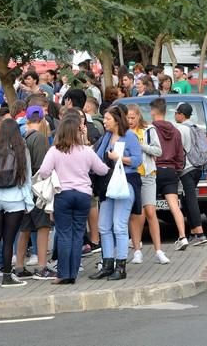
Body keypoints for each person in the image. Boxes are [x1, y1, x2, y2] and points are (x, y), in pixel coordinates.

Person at [39, 116, 109, 284]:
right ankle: (73, 273)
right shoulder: (86, 151)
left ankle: (63, 274)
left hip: (63, 194)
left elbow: (43, 172)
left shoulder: (55, 151)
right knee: (78, 234)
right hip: (84, 195)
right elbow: (102, 170)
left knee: (64, 234)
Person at [88, 106, 142, 281]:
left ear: (117, 121)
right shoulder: (106, 137)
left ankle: (121, 266)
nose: (104, 122)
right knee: (103, 226)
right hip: (107, 185)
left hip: (125, 183)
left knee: (119, 225)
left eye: (107, 119)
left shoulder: (130, 136)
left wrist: (119, 158)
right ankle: (107, 264)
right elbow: (96, 156)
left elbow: (137, 160)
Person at [0, 118, 34, 288]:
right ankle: (8, 276)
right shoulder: (21, 149)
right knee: (9, 239)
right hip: (14, 198)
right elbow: (27, 177)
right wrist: (28, 200)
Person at [13, 106, 55, 281]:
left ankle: (19, 266)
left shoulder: (21, 136)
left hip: (22, 189)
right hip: (37, 189)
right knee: (43, 226)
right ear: (43, 119)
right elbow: (41, 168)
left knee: (25, 228)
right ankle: (42, 266)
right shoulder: (39, 138)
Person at [126, 104, 170, 265]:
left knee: (150, 211)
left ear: (139, 116)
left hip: (148, 174)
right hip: (132, 175)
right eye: (128, 118)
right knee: (136, 214)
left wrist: (141, 146)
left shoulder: (149, 130)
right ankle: (137, 250)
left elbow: (158, 151)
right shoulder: (124, 133)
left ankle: (158, 250)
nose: (130, 121)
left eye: (133, 117)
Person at [150, 98, 188, 250]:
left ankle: (138, 241)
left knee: (148, 206)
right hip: (171, 170)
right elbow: (180, 154)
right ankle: (183, 236)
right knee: (174, 205)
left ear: (153, 111)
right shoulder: (175, 131)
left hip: (154, 169)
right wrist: (177, 168)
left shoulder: (151, 129)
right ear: (165, 112)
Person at [174, 103, 207, 246]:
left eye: (176, 113)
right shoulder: (196, 128)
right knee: (186, 200)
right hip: (198, 168)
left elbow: (178, 151)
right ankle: (193, 232)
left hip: (187, 169)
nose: (175, 115)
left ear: (181, 115)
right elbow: (203, 151)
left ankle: (200, 234)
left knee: (190, 200)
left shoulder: (181, 129)